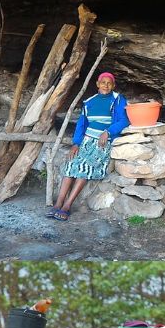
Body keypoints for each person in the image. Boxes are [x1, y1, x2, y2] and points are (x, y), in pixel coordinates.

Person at [49, 72, 130, 221]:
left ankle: (67, 205)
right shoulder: (89, 102)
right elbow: (81, 125)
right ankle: (58, 203)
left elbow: (124, 121)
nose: (106, 85)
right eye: (103, 82)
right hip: (86, 141)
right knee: (70, 164)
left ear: (113, 86)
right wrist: (76, 143)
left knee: (84, 167)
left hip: (102, 143)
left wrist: (108, 132)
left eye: (109, 83)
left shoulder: (118, 100)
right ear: (97, 84)